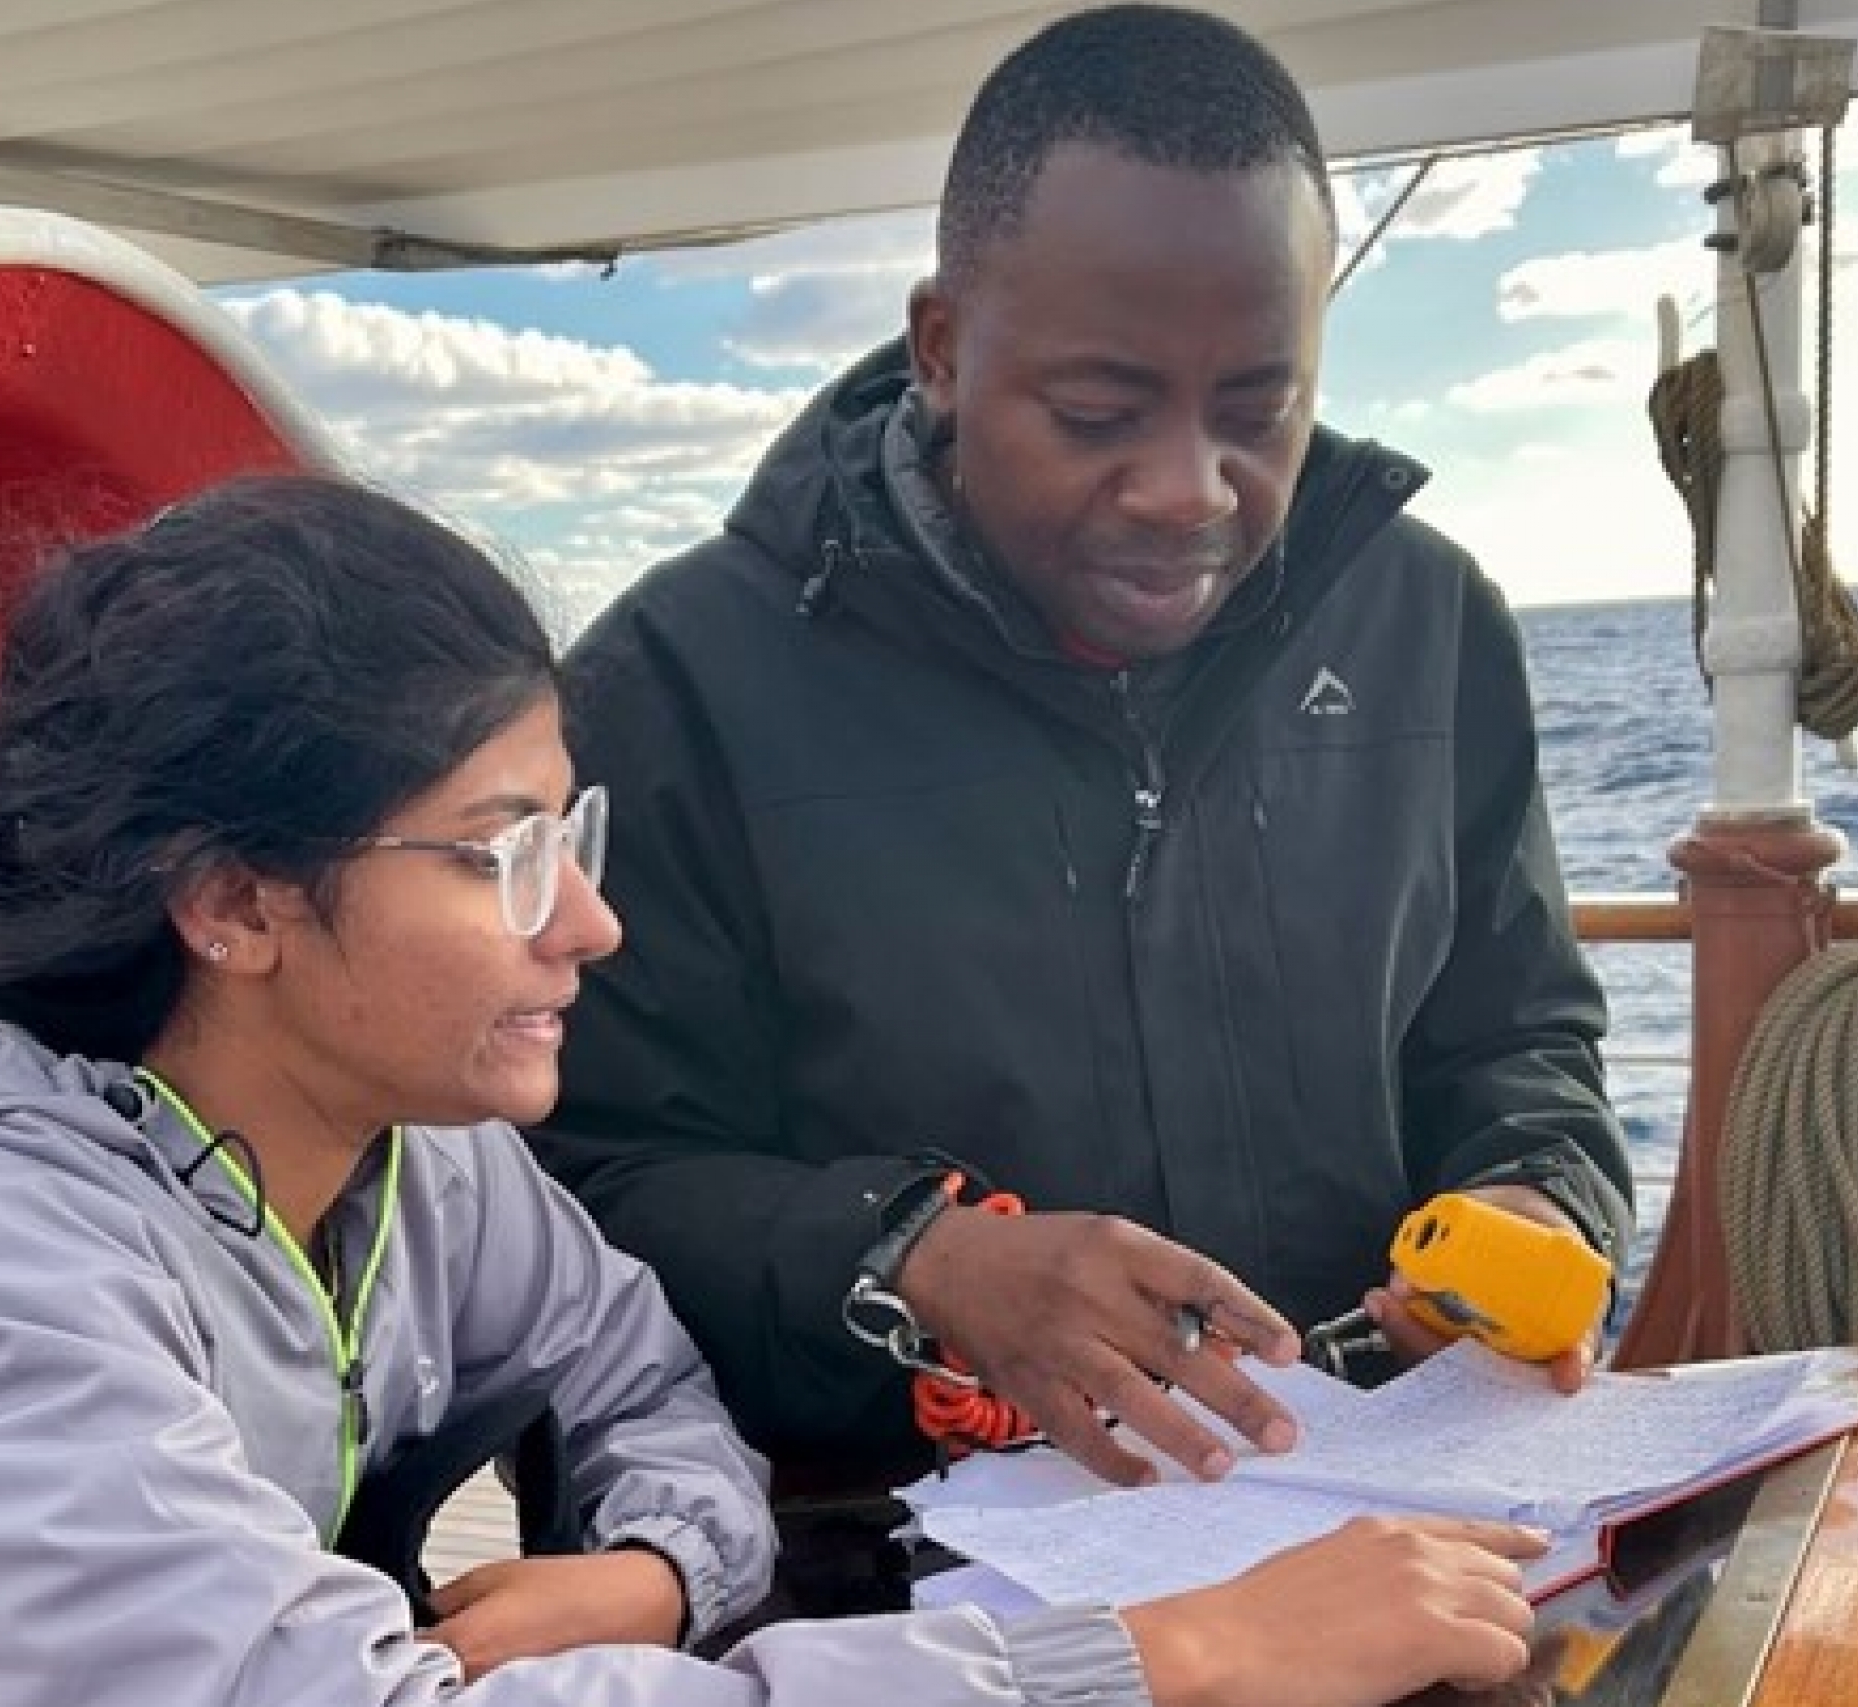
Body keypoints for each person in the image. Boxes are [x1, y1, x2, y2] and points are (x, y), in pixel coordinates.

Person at [0, 473, 1546, 1707]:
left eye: (572, 829)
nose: (593, 923)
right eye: (498, 853)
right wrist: (1168, 1656)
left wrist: (648, 1573)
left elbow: (636, 1377)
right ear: (235, 902)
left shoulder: (409, 1164)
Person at [536, 0, 1635, 1531]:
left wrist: (1537, 1198)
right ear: (941, 349)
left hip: (1398, 1527)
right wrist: (921, 1259)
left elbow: (1523, 1042)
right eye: (1097, 414)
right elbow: (574, 1186)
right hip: (886, 1569)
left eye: (1264, 411)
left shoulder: (1432, 622)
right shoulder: (672, 683)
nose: (1188, 491)